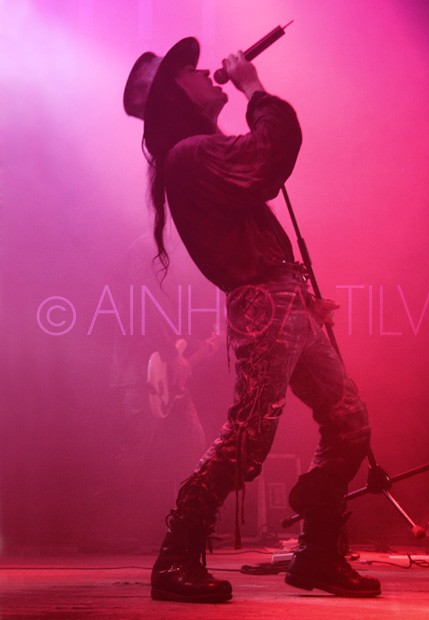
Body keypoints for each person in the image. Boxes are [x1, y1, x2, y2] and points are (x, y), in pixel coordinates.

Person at [123, 37, 381, 603]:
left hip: (288, 301)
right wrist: (254, 90)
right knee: (249, 436)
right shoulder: (189, 155)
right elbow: (270, 156)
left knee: (349, 422)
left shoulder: (199, 154)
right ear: (175, 96)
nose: (205, 74)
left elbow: (264, 164)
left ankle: (317, 553)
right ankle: (176, 556)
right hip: (266, 303)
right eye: (191, 72)